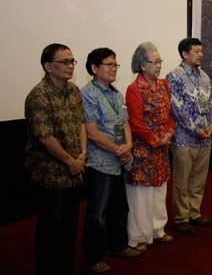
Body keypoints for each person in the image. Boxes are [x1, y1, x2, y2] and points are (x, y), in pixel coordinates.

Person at [25, 43, 87, 275]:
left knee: (70, 227)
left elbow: (81, 123)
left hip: (75, 170)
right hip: (50, 174)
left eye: (72, 61)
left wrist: (82, 153)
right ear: (49, 66)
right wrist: (70, 161)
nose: (70, 66)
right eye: (65, 62)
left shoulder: (74, 91)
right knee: (51, 228)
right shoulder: (39, 95)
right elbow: (45, 137)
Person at [81, 48, 139, 274]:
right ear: (94, 68)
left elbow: (125, 124)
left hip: (120, 159)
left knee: (119, 207)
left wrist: (128, 146)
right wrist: (117, 149)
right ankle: (93, 258)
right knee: (97, 214)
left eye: (116, 65)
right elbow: (92, 133)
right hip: (100, 162)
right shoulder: (87, 94)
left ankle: (118, 246)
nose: (114, 69)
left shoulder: (116, 93)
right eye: (109, 64)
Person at [125, 42, 175, 252]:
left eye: (160, 61)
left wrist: (169, 132)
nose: (159, 65)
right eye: (155, 62)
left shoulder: (164, 84)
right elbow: (136, 123)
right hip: (143, 151)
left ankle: (158, 229)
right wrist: (156, 139)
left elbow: (171, 114)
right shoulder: (134, 89)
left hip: (162, 149)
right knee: (141, 196)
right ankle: (138, 236)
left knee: (160, 190)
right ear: (142, 65)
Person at [167, 38, 212, 235]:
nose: (201, 54)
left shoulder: (205, 76)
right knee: (182, 181)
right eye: (196, 51)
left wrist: (211, 124)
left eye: (201, 51)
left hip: (205, 137)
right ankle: (181, 218)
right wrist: (195, 128)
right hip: (184, 137)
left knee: (199, 179)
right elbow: (176, 107)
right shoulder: (174, 76)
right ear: (185, 54)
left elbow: (210, 104)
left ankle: (195, 213)